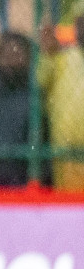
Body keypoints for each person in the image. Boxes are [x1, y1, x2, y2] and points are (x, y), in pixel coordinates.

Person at [0, 31, 39, 187]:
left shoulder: (36, 97)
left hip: (26, 184)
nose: (10, 62)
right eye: (5, 56)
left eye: (17, 55)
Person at [40, 16, 84, 191]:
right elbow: (40, 82)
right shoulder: (64, 58)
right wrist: (48, 54)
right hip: (66, 155)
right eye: (80, 24)